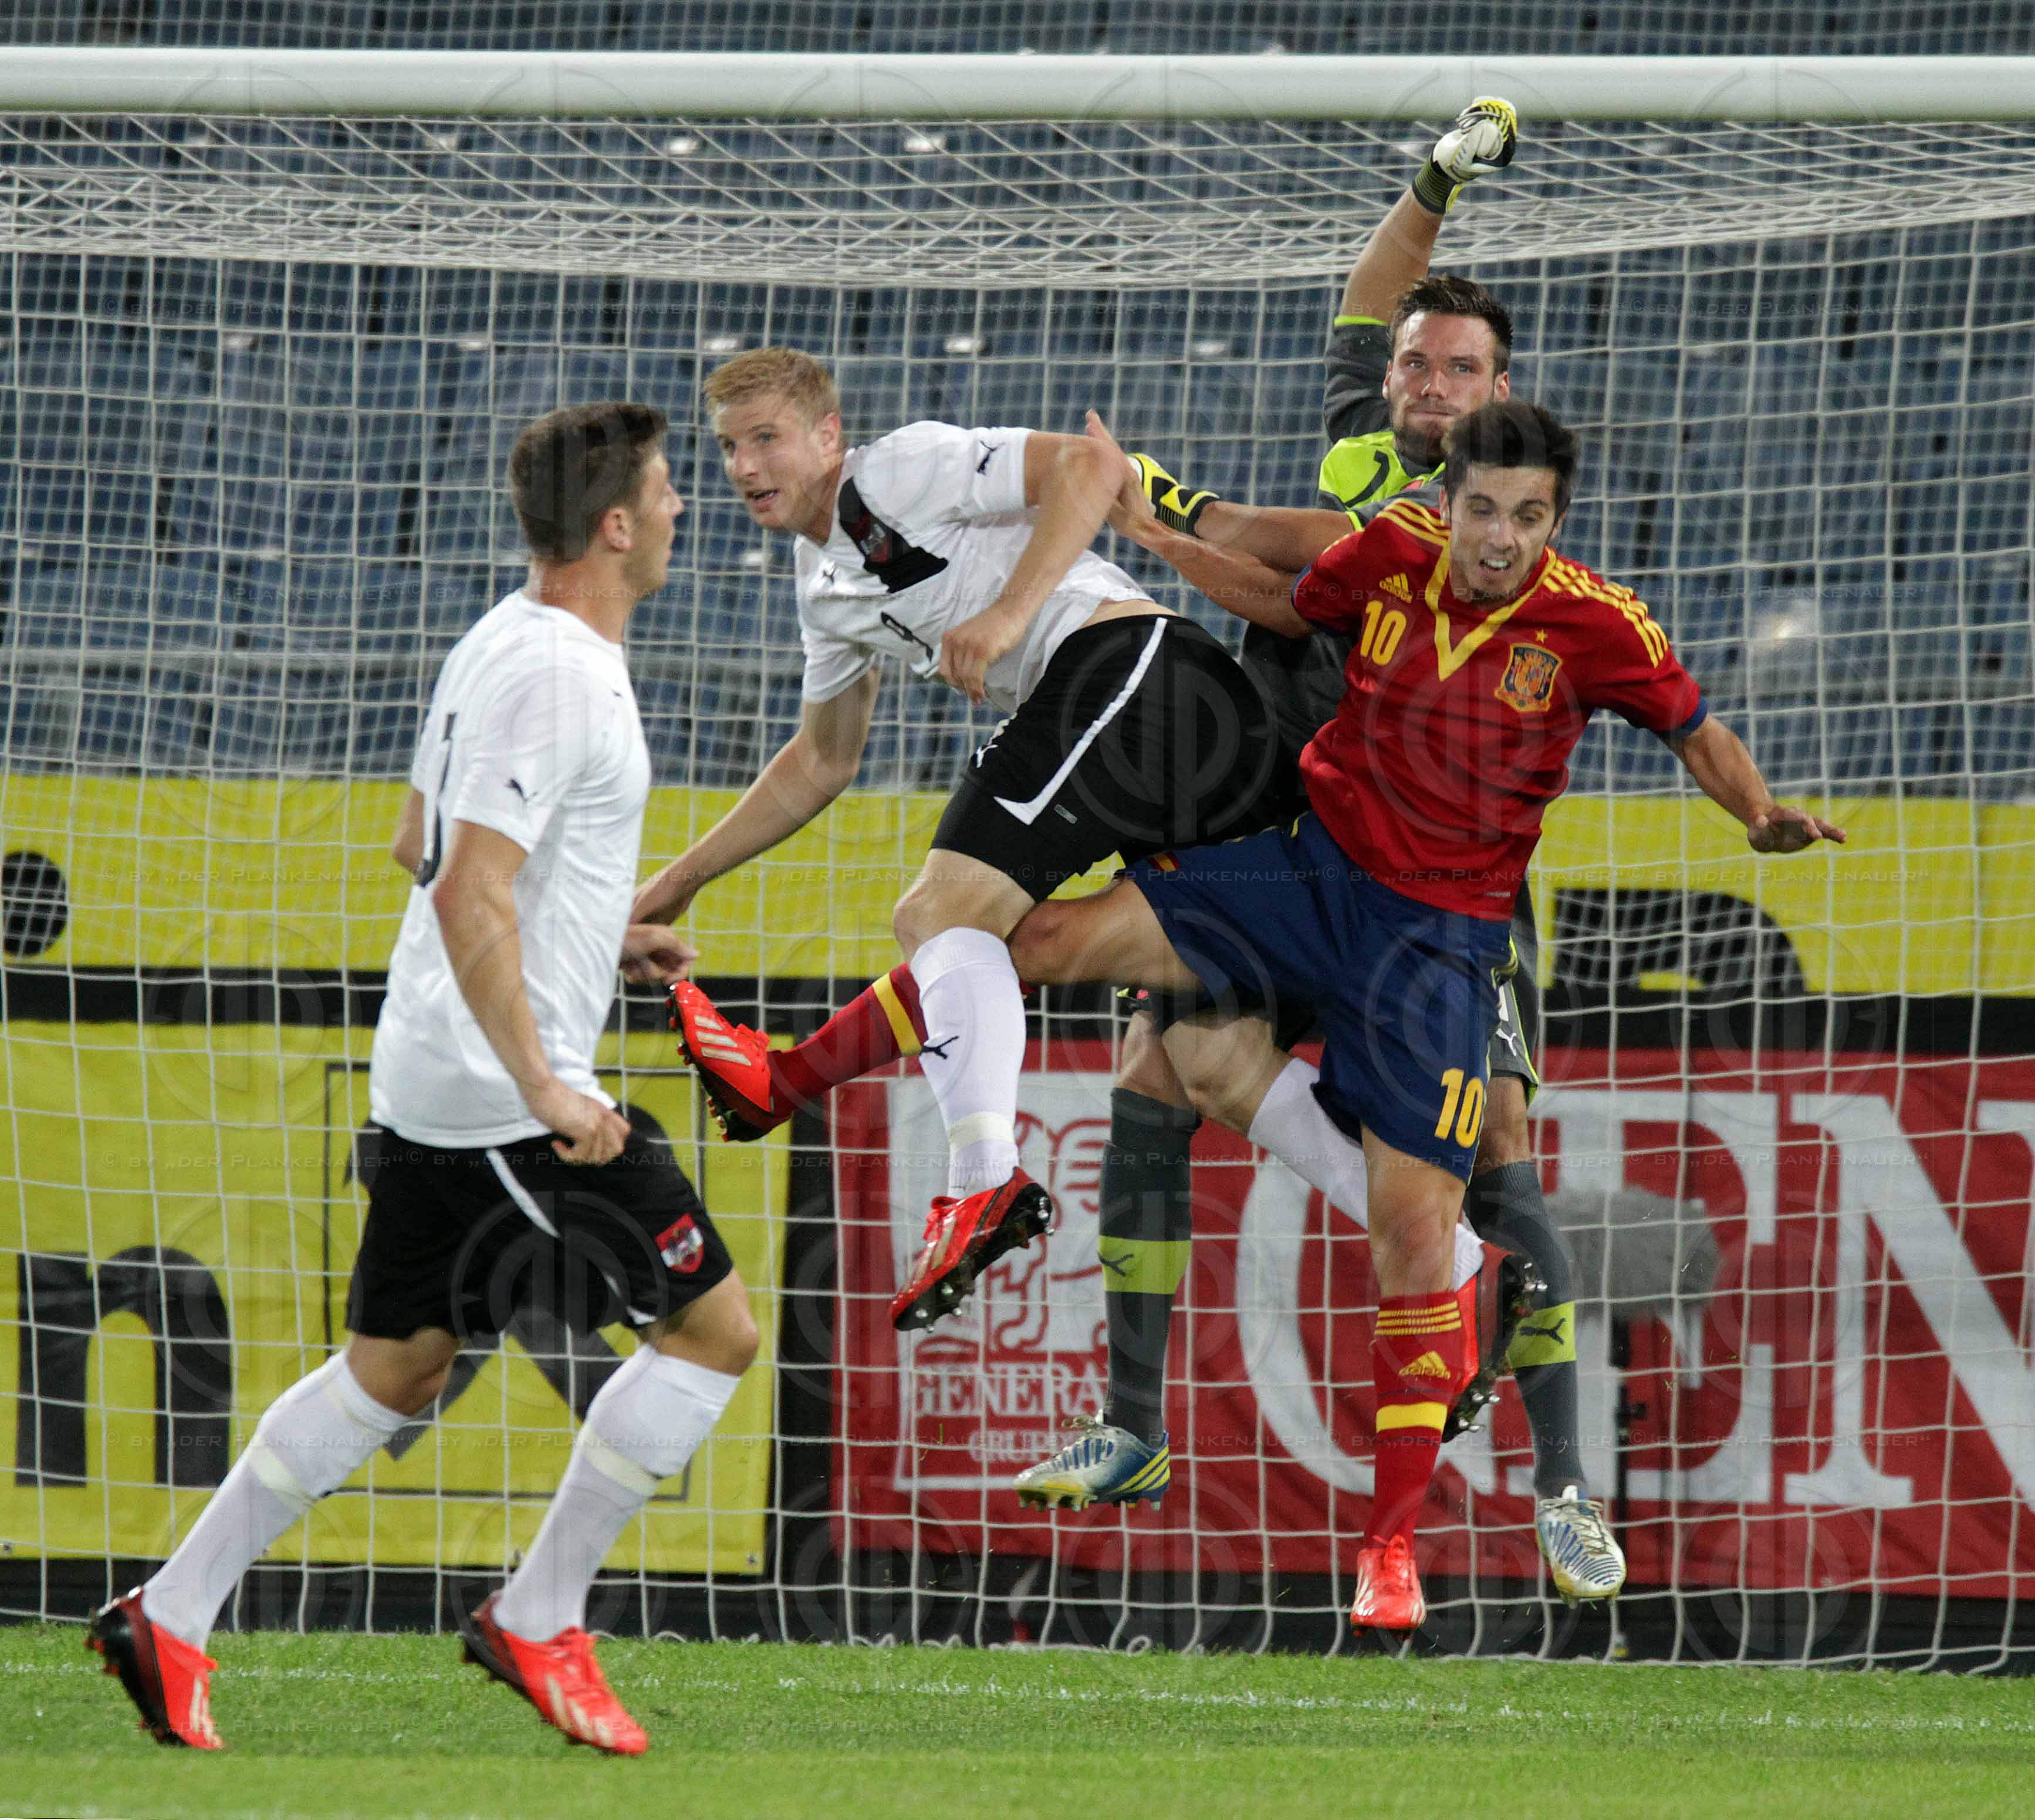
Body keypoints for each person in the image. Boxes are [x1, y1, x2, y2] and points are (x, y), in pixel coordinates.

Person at [1003, 399, 1845, 1630]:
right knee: (1107, 998)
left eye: (1529, 516)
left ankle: (1496, 1509)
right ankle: (1102, 1375)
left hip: (1447, 937)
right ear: (1446, 498)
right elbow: (1288, 598)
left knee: (1466, 1183)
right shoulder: (1390, 537)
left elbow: (1695, 729)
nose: (1501, 537)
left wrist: (1760, 814)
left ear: (1556, 519)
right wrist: (1158, 534)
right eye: (1483, 509)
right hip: (1312, 868)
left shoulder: (1599, 623)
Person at [1019, 101, 1625, 1611]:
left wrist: (1157, 504)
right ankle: (1133, 1425)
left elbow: (1275, 543)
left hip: (1437, 892)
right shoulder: (1375, 436)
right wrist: (1434, 183)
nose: (1428, 383)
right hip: (1289, 851)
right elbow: (1369, 302)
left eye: (1460, 369)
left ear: (1500, 393)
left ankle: (1564, 1489)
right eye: (1418, 365)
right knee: (1159, 1075)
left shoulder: (1474, 517)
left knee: (1498, 1148)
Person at [87, 402, 756, 1755]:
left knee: (393, 1368)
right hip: (505, 1096)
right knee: (714, 1332)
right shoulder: (559, 672)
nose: (684, 507)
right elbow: (460, 883)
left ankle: (171, 1611)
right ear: (614, 525)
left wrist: (597, 936)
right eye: (667, 489)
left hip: (435, 1075)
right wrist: (551, 1086)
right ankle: (539, 1615)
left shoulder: (503, 636)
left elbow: (417, 838)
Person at [638, 347, 1293, 1331]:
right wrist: (680, 880)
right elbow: (822, 759)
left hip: (1141, 674)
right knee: (1214, 1060)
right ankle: (1457, 1265)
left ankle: (980, 1177)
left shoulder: (899, 470)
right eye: (729, 447)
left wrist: (1006, 615)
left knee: (940, 913)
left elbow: (1091, 465)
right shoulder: (823, 585)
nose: (746, 466)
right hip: (1163, 731)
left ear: (828, 434)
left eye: (767, 438)